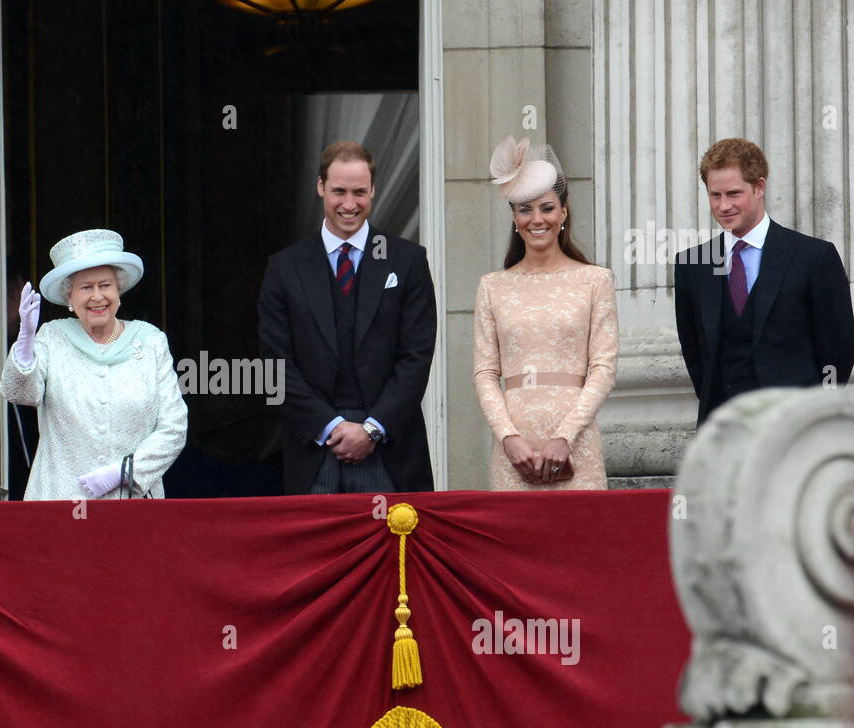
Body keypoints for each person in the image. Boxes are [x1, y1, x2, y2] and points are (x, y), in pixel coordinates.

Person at [257, 141, 437, 495]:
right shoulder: (284, 267)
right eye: (339, 191)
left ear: (373, 190)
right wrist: (331, 426)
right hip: (313, 448)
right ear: (320, 186)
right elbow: (274, 363)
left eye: (359, 192)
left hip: (391, 449)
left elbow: (416, 356)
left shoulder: (408, 260)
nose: (350, 204)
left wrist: (372, 429)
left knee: (391, 535)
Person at [674, 138, 854, 426]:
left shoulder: (814, 257)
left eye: (734, 194)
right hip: (723, 431)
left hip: (796, 429)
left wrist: (818, 412)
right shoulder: (692, 265)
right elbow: (695, 355)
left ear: (759, 187)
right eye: (715, 195)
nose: (724, 206)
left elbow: (838, 348)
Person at [472, 136, 618, 490]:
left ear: (563, 212)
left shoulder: (595, 280)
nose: (537, 219)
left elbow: (603, 368)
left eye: (547, 208)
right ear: (514, 217)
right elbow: (485, 372)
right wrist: (508, 437)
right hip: (513, 450)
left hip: (576, 443)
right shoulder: (492, 286)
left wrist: (565, 436)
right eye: (526, 209)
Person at [0, 229, 187, 500]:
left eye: (105, 285)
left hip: (131, 502)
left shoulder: (151, 341)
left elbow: (174, 426)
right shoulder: (53, 338)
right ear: (69, 297)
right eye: (86, 287)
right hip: (60, 501)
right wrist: (25, 343)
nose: (97, 296)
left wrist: (124, 472)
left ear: (119, 290)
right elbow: (21, 394)